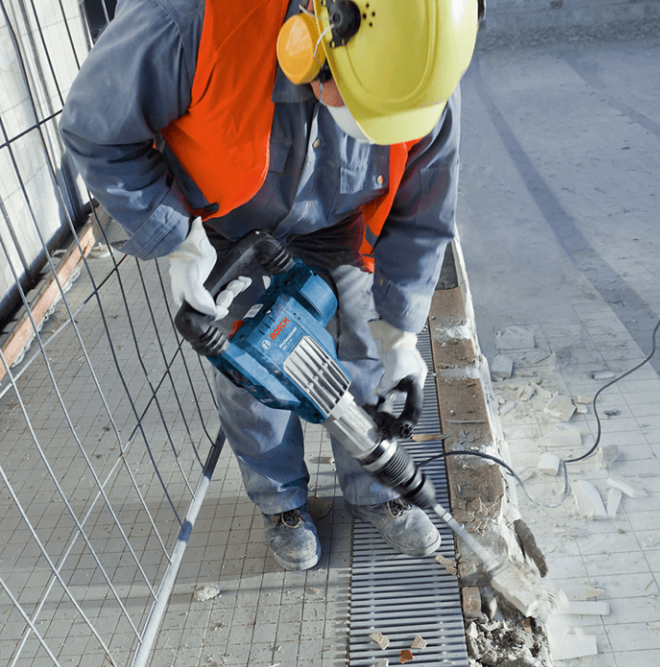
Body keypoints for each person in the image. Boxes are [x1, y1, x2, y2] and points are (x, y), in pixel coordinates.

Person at [60, 0, 480, 570]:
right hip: (227, 226)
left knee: (364, 350)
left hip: (339, 221)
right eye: (359, 104)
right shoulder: (188, 20)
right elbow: (97, 133)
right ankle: (281, 502)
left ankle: (377, 486)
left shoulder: (425, 62)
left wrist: (401, 335)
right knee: (254, 373)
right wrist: (179, 238)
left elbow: (422, 213)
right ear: (311, 41)